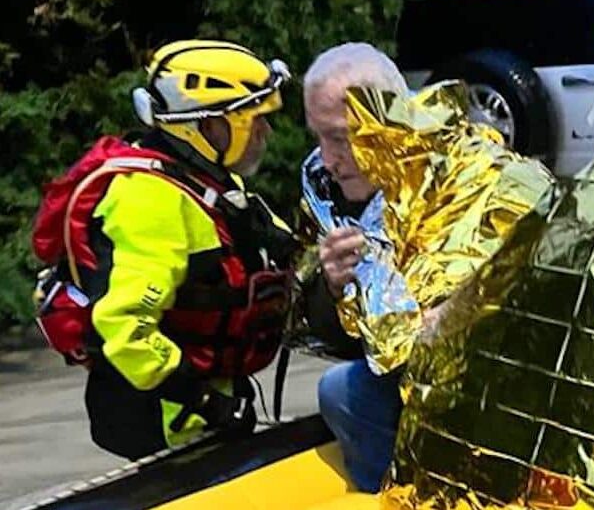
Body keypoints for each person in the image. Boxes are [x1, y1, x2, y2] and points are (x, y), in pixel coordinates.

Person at [31, 40, 297, 459]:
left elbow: (278, 249)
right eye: (254, 121)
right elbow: (123, 326)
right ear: (207, 126)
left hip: (207, 409)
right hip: (166, 418)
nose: (266, 133)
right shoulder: (149, 200)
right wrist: (204, 400)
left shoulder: (212, 183)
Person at [299, 43, 412, 493]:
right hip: (399, 373)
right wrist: (331, 287)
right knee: (342, 390)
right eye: (319, 136)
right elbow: (330, 336)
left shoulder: (466, 176)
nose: (328, 158)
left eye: (340, 138)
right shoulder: (324, 187)